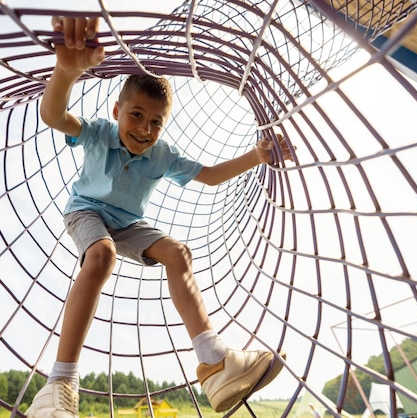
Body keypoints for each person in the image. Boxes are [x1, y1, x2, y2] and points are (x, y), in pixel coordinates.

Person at [26, 15, 293, 418]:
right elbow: (54, 116)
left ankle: (215, 361)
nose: (144, 129)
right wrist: (65, 72)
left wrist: (257, 156)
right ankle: (60, 384)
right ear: (117, 110)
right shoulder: (98, 132)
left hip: (129, 223)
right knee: (102, 256)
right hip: (87, 211)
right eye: (135, 115)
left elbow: (210, 177)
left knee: (178, 253)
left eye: (155, 122)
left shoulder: (161, 154)